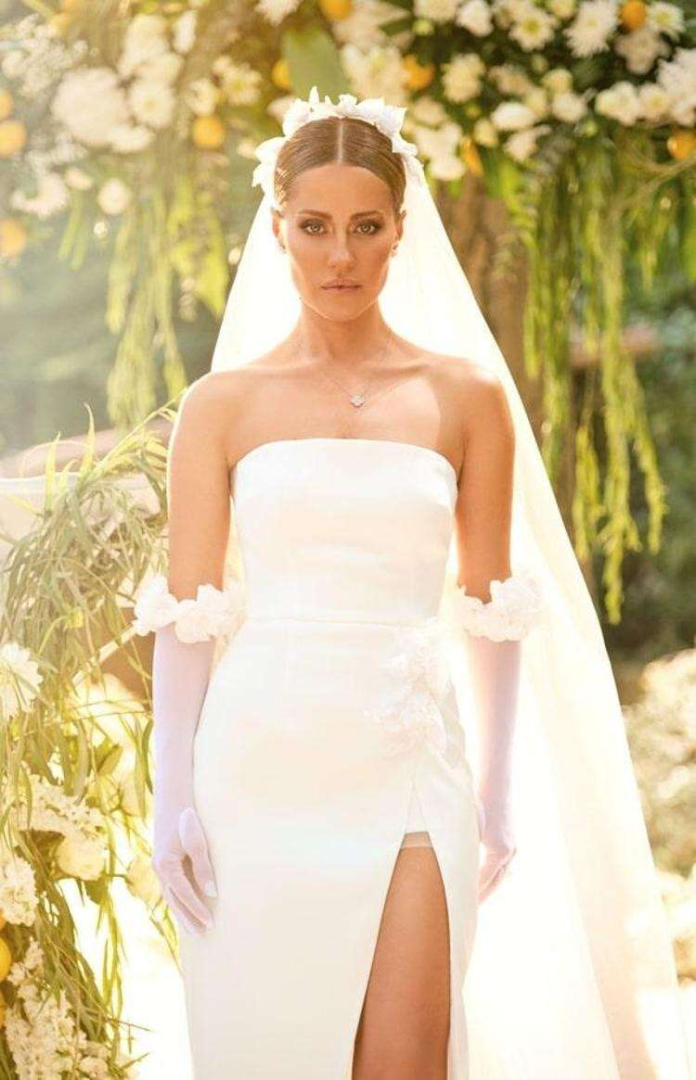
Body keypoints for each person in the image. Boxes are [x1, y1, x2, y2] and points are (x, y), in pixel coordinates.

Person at [133, 89, 692, 1079]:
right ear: (278, 229)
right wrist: (171, 789)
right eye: (314, 227)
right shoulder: (220, 406)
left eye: (365, 226)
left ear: (401, 229)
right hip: (255, 770)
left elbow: (492, 608)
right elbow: (187, 615)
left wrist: (498, 792)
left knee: (407, 1060)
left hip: (410, 761)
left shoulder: (465, 398)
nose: (339, 256)